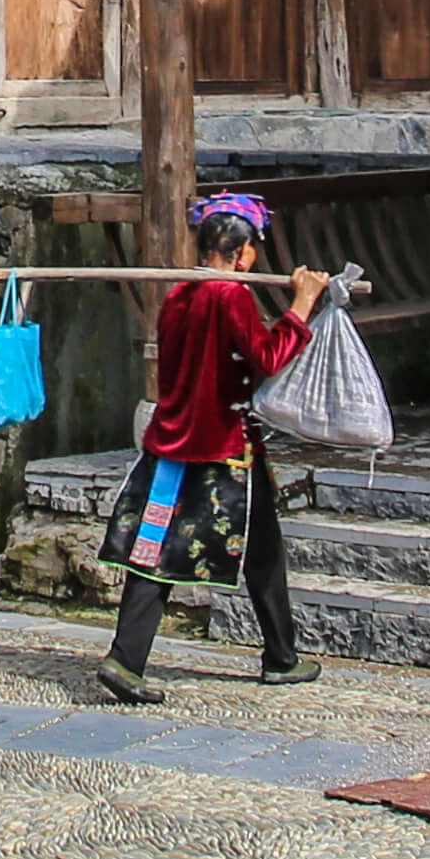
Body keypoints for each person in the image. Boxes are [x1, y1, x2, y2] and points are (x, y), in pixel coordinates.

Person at [98, 190, 334, 704]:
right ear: (245, 251)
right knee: (214, 552)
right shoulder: (228, 296)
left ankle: (277, 656)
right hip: (219, 449)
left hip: (172, 441)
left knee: (173, 548)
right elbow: (268, 357)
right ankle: (273, 658)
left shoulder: (180, 292)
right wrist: (301, 307)